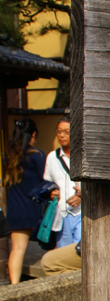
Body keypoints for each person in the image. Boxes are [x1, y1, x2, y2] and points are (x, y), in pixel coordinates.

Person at [3, 118, 54, 284]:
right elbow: (45, 180)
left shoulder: (9, 158)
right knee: (52, 245)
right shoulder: (37, 156)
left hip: (15, 210)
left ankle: (14, 286)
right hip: (33, 209)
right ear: (33, 135)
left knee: (17, 250)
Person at [43, 117, 81, 248]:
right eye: (58, 131)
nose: (61, 135)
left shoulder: (83, 155)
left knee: (79, 255)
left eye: (66, 131)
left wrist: (82, 197)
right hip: (61, 214)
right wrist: (51, 192)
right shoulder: (52, 157)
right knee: (63, 253)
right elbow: (47, 183)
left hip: (82, 213)